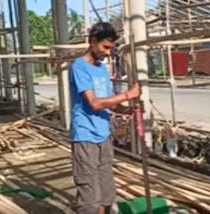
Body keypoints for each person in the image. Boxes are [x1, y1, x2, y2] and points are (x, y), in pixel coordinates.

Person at [70, 22, 141, 214]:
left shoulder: (102, 69)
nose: (108, 53)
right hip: (86, 137)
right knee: (89, 195)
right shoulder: (80, 67)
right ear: (93, 41)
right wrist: (128, 95)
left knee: (106, 191)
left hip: (104, 135)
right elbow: (94, 103)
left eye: (111, 48)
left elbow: (108, 102)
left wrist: (126, 110)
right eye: (105, 47)